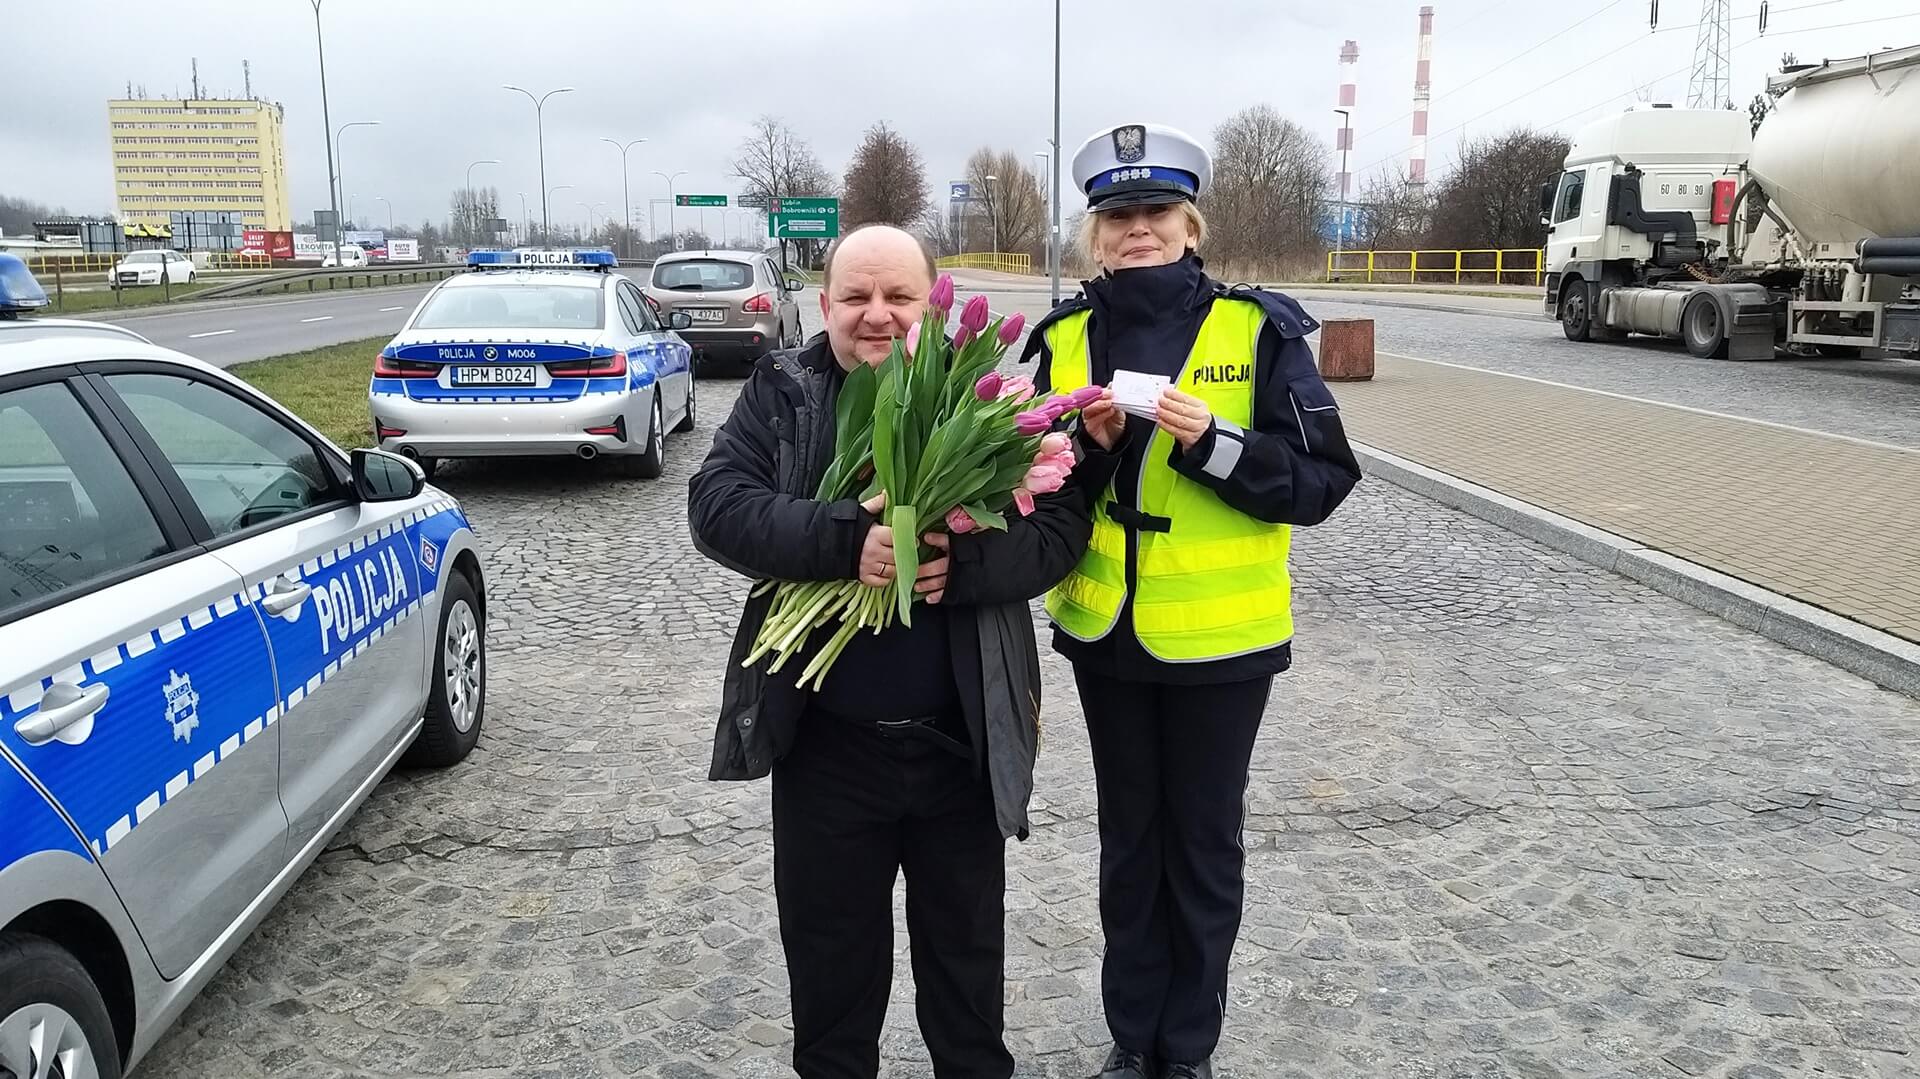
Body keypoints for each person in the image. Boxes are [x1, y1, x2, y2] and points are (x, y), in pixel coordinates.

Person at [688, 224, 1120, 1079]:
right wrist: (845, 537)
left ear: (933, 304)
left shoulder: (983, 400)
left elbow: (1059, 532)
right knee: (832, 981)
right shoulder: (788, 391)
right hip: (824, 748)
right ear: (825, 305)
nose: (877, 316)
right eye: (856, 297)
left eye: (899, 297)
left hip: (959, 743)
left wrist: (957, 563)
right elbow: (717, 507)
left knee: (966, 987)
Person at [1021, 124, 1363, 1079]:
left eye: (1157, 213)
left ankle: (1189, 1049)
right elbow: (1038, 488)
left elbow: (1325, 481)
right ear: (1095, 233)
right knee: (1129, 844)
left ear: (1190, 223)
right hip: (1106, 636)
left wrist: (1215, 443)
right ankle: (1134, 1038)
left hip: (1224, 645)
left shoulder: (1258, 330)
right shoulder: (1061, 340)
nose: (1139, 230)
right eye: (1119, 215)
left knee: (1203, 847)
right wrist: (1083, 448)